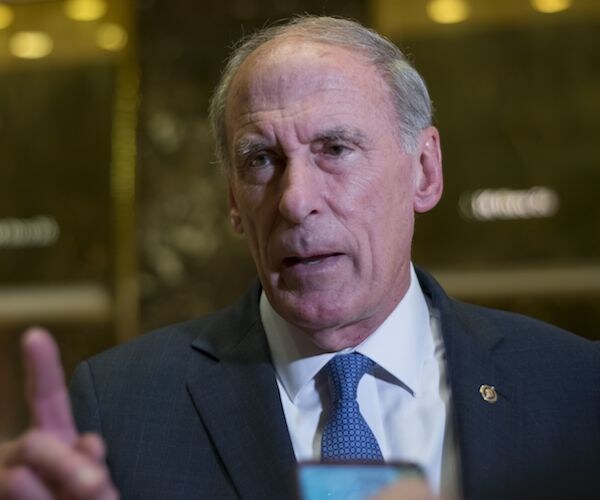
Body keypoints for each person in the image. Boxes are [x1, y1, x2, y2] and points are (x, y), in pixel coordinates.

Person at [1, 15, 599, 500]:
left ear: (424, 170)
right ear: (234, 202)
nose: (295, 200)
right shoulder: (122, 407)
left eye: (335, 148)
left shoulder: (575, 389)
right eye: (260, 159)